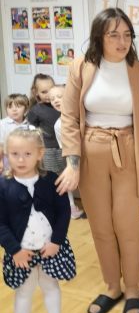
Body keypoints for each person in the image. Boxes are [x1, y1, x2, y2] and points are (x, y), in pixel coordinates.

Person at [58, 7, 139, 313]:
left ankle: (133, 288)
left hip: (129, 149)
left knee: (127, 225)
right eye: (114, 35)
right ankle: (112, 287)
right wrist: (72, 163)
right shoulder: (80, 67)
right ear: (99, 37)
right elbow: (69, 117)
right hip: (90, 151)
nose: (122, 41)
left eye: (127, 35)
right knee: (101, 226)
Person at [0, 128, 75, 313]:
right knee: (24, 292)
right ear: (6, 153)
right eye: (14, 154)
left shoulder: (51, 180)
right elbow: (1, 223)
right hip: (21, 253)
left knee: (51, 287)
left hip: (50, 248)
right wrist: (15, 250)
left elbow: (63, 213)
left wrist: (56, 242)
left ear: (40, 154)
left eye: (27, 154)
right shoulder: (3, 186)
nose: (21, 160)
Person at [49, 85, 84, 220]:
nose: (56, 100)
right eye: (52, 99)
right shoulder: (58, 125)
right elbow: (66, 148)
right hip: (78, 160)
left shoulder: (83, 114)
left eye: (59, 96)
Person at [27, 74, 62, 174]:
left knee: (65, 175)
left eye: (50, 90)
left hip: (64, 147)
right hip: (48, 150)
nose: (48, 94)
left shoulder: (60, 105)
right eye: (44, 92)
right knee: (51, 176)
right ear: (36, 92)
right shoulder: (35, 110)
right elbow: (31, 131)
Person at [0, 93, 30, 171]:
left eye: (18, 106)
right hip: (7, 158)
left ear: (26, 109)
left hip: (26, 157)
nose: (14, 110)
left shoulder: (29, 124)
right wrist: (0, 161)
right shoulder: (2, 124)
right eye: (10, 107)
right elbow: (1, 145)